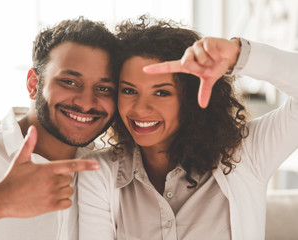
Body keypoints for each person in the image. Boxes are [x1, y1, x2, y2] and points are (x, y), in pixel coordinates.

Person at [78, 15, 298, 240]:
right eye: (129, 91)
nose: (141, 109)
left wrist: (237, 55)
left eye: (162, 92)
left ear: (189, 98)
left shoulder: (246, 154)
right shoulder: (98, 174)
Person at [0, 16, 119, 240]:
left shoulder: (107, 172)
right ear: (33, 84)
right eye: (69, 82)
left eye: (104, 88)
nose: (86, 103)